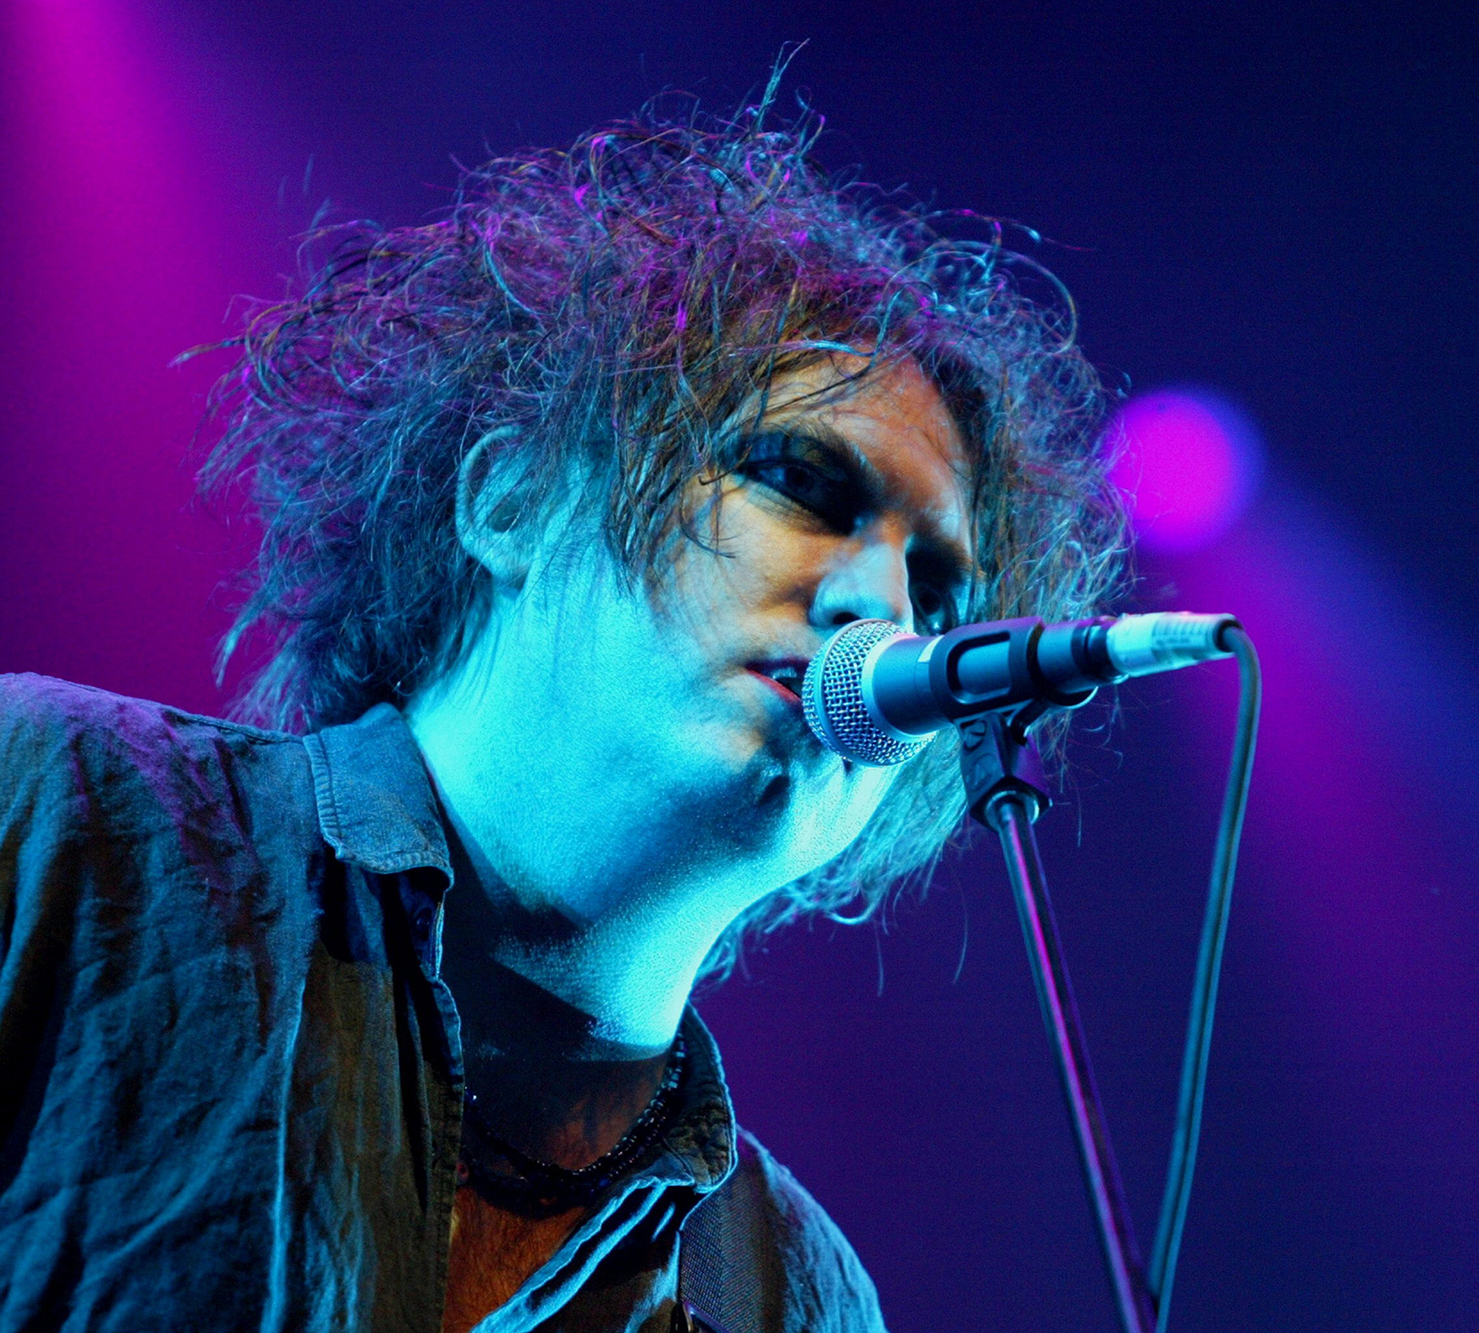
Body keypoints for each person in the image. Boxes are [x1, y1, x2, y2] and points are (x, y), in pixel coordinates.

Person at [0, 96, 1124, 1333]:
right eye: (797, 481)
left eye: (940, 591)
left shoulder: (795, 1295)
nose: (886, 610)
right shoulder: (56, 810)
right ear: (516, 497)